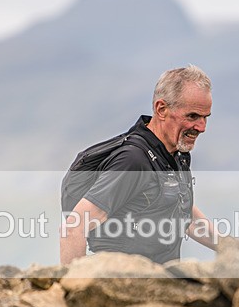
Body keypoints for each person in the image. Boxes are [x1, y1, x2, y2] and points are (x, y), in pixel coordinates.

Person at [60, 65, 218, 265]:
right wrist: (73, 290)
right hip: (124, 287)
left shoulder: (176, 154)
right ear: (161, 109)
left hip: (161, 283)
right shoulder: (133, 161)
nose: (201, 127)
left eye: (205, 118)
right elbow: (73, 227)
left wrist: (230, 248)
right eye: (192, 116)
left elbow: (184, 211)